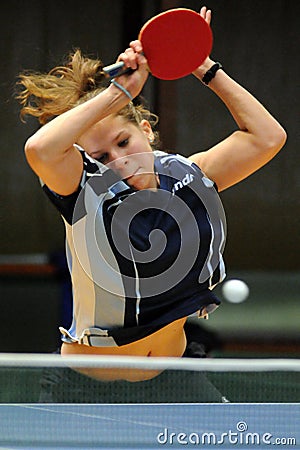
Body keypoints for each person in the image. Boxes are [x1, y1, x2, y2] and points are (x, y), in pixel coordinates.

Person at [16, 6, 286, 388]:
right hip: (85, 390)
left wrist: (203, 67)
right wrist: (119, 92)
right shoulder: (83, 194)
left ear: (147, 130)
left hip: (174, 377)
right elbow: (39, 150)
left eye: (124, 142)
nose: (119, 161)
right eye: (101, 157)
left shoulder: (191, 179)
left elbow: (267, 138)